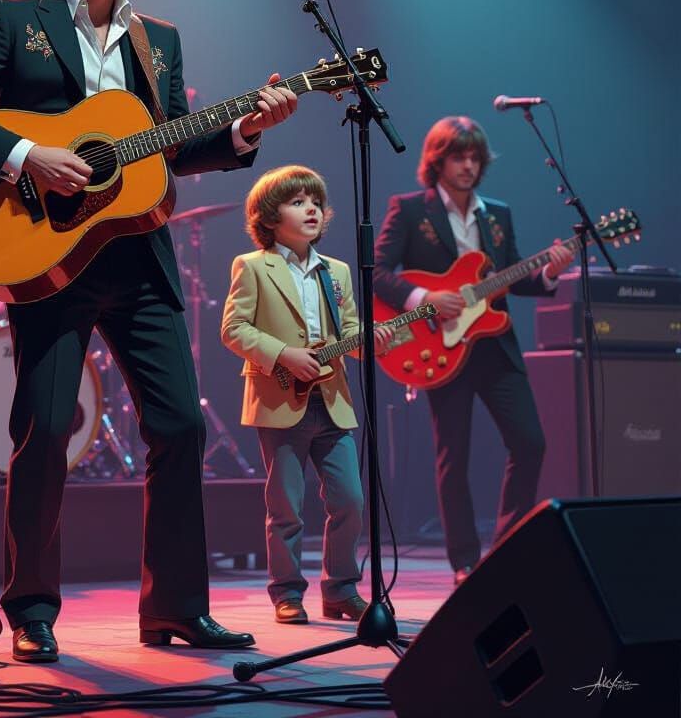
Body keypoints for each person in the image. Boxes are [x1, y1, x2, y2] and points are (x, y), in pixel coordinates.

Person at [0, 0, 298, 663]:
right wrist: (29, 155)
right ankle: (31, 607)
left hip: (137, 254)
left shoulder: (158, 40)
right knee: (47, 426)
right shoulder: (14, 19)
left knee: (181, 425)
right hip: (47, 251)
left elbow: (160, 152)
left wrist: (241, 136)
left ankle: (176, 610)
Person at [374, 116, 574, 584]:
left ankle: (504, 549)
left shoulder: (496, 213)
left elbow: (512, 276)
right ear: (437, 161)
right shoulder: (408, 209)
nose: (467, 165)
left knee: (530, 442)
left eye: (474, 157)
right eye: (457, 157)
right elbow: (378, 270)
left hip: (494, 346)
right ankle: (465, 563)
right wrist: (425, 299)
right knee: (453, 455)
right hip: (439, 348)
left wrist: (549, 272)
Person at [222, 165, 392, 625]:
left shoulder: (335, 271)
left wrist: (369, 341)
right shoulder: (253, 265)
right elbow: (234, 329)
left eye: (315, 201)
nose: (311, 209)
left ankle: (340, 589)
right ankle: (287, 591)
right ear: (270, 217)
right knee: (287, 508)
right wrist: (283, 355)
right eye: (298, 202)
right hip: (281, 399)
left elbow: (351, 329)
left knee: (350, 501)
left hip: (332, 399)